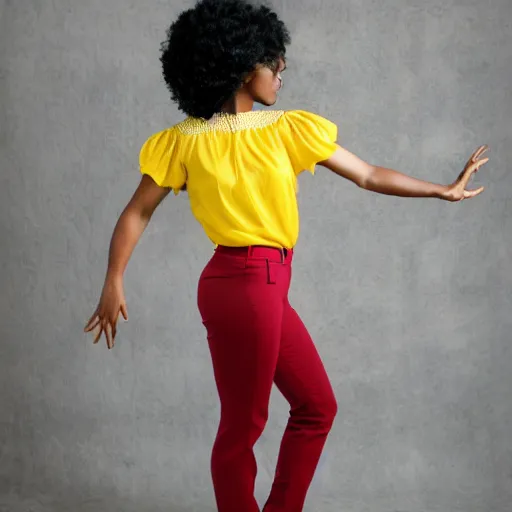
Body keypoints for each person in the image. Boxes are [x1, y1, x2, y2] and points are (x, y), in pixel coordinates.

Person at [84, 0, 489, 510]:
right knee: (243, 427)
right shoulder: (183, 142)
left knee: (316, 406)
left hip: (264, 284)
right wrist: (113, 279)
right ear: (237, 63)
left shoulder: (284, 129)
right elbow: (136, 212)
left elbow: (368, 174)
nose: (281, 70)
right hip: (244, 283)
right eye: (270, 61)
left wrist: (441, 190)